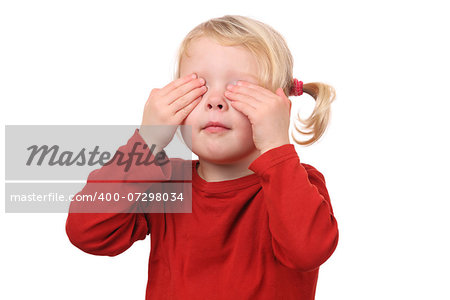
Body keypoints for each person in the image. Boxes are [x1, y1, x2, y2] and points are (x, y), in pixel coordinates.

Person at [65, 14, 339, 300]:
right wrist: (146, 144)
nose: (215, 100)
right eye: (198, 86)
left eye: (239, 88)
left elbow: (307, 251)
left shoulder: (298, 183)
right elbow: (86, 232)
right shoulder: (166, 185)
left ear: (277, 106)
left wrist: (276, 146)